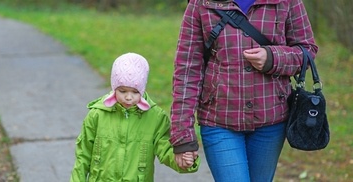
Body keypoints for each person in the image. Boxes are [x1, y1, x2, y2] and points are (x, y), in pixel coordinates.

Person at [170, 0, 318, 181]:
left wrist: (273, 58)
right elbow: (187, 69)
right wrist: (182, 135)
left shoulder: (287, 2)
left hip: (271, 121)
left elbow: (307, 50)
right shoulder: (201, 3)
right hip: (219, 120)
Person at [70, 52, 200, 182]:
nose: (128, 97)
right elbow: (83, 156)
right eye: (122, 91)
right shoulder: (97, 115)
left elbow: (165, 150)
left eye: (135, 92)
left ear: (142, 90)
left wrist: (184, 159)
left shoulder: (155, 118)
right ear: (114, 87)